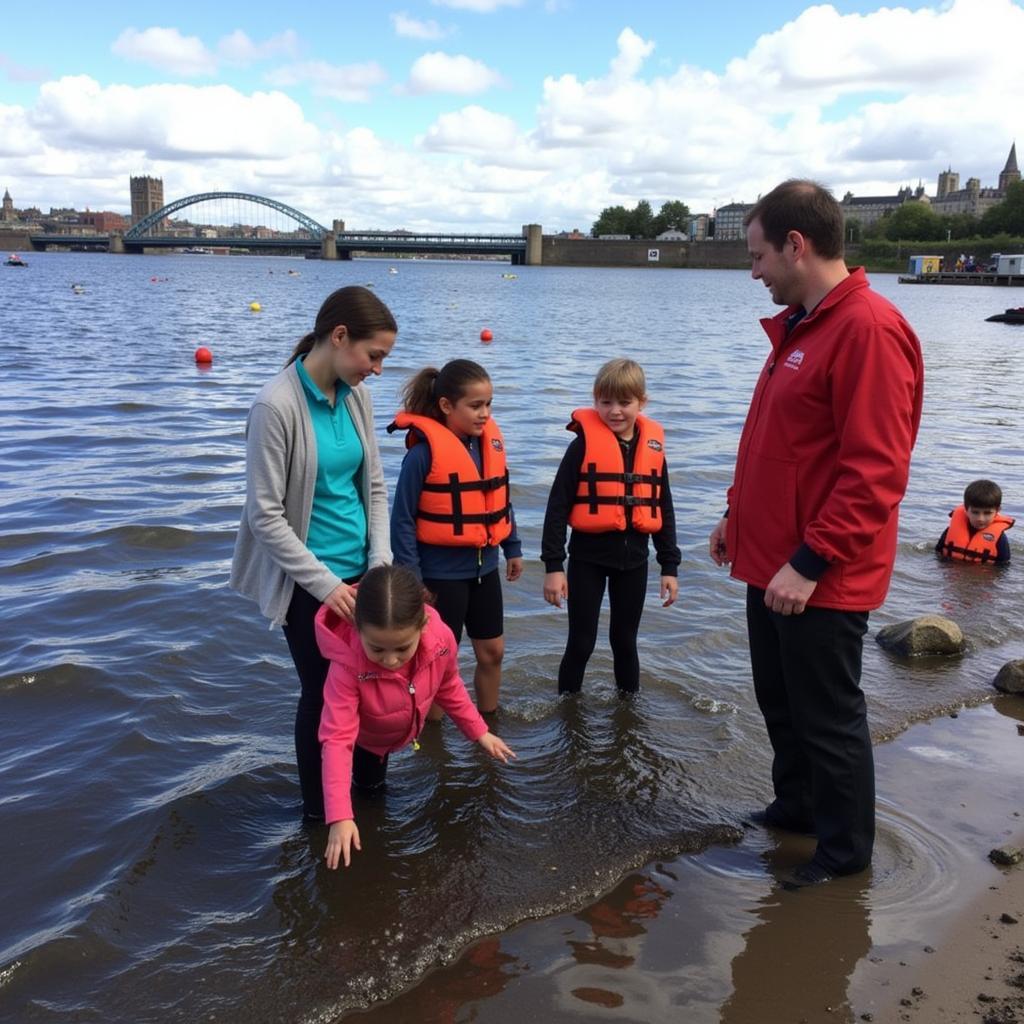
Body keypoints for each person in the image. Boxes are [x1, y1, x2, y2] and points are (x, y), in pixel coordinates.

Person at [708, 180, 924, 885]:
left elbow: (874, 471)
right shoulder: (804, 325)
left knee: (828, 717)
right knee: (781, 702)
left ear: (796, 246)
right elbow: (779, 443)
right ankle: (796, 810)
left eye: (759, 254)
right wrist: (736, 514)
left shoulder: (866, 328)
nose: (754, 271)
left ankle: (842, 856)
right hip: (768, 560)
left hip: (817, 576)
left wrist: (811, 560)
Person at [230, 285, 397, 822]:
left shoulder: (358, 398)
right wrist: (327, 586)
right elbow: (265, 517)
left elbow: (373, 486)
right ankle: (320, 813)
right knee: (324, 695)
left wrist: (380, 565)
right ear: (340, 337)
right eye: (374, 356)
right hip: (309, 584)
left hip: (363, 572)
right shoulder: (274, 405)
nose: (377, 370)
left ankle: (370, 796)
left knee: (376, 685)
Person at [317, 564, 516, 869]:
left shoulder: (440, 640)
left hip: (396, 729)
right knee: (364, 793)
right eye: (377, 649)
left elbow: (449, 686)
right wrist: (340, 816)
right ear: (357, 629)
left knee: (375, 793)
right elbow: (337, 738)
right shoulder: (346, 667)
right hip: (364, 740)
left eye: (401, 647)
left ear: (422, 625)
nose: (391, 659)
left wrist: (480, 732)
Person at [388, 359, 523, 713]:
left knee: (493, 652)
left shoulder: (489, 447)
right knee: (438, 659)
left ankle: (488, 724)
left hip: (484, 570)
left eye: (488, 405)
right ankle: (432, 740)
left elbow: (499, 499)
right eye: (475, 406)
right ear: (447, 406)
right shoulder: (422, 455)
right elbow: (402, 520)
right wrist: (413, 579)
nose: (484, 414)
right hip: (439, 577)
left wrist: (513, 547)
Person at [542, 358, 680, 695]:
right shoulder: (582, 446)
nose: (615, 411)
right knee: (581, 643)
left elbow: (663, 506)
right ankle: (568, 712)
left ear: (641, 402)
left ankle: (628, 712)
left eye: (624, 402)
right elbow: (557, 506)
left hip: (634, 563)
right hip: (587, 560)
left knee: (625, 642)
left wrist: (669, 566)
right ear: (595, 400)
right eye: (606, 402)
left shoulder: (653, 449)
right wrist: (554, 567)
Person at [936, 479, 1013, 563]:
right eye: (975, 512)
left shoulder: (1000, 539)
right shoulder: (950, 530)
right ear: (966, 509)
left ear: (997, 511)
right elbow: (937, 553)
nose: (980, 518)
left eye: (987, 513)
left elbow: (1004, 567)